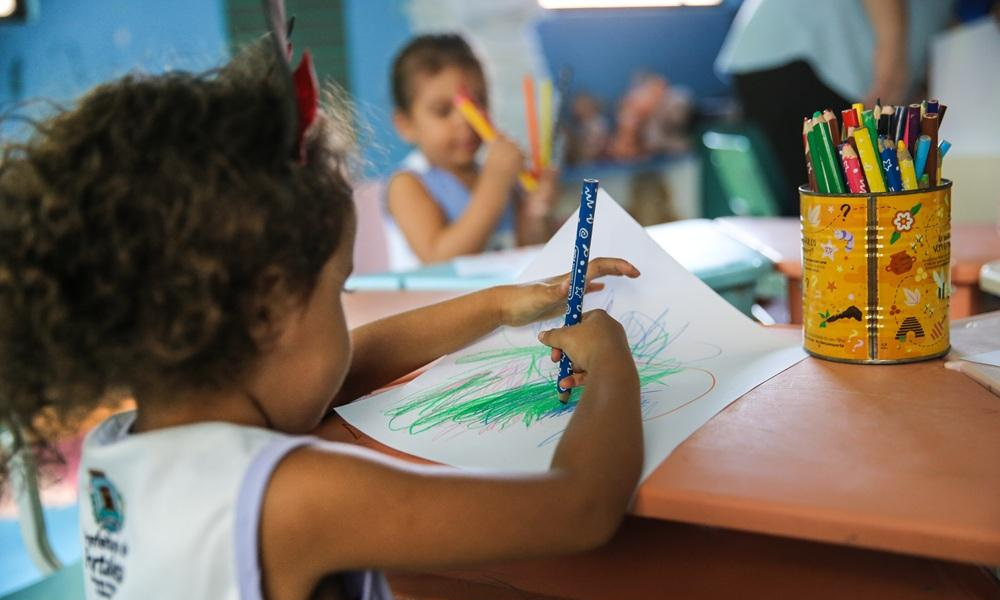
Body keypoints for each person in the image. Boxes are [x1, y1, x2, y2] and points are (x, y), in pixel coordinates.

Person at [0, 36, 644, 600]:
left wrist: (502, 304)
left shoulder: (120, 448)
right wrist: (612, 359)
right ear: (268, 312)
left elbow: (349, 362)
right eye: (339, 290)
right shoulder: (292, 496)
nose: (346, 315)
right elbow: (580, 507)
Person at [716, 0, 953, 215]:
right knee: (829, 210)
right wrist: (893, 55)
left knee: (818, 211)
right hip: (808, 53)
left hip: (782, 48)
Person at [386, 34, 558, 270]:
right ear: (405, 125)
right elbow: (439, 261)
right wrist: (494, 184)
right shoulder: (407, 184)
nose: (465, 122)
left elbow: (529, 254)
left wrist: (536, 211)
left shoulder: (499, 176)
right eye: (443, 111)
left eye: (476, 106)